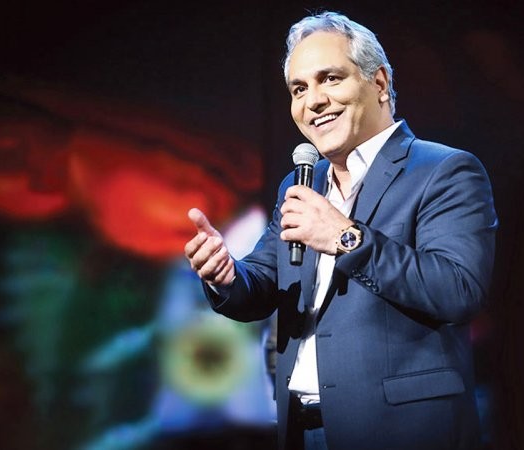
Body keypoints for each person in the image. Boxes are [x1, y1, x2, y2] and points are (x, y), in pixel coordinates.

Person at [184, 11, 498, 450]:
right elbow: (262, 285)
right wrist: (226, 274)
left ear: (380, 82)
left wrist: (344, 237)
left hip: (402, 431)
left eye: (329, 78)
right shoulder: (300, 185)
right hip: (302, 431)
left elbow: (458, 289)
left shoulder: (443, 170)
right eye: (299, 88)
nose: (313, 101)